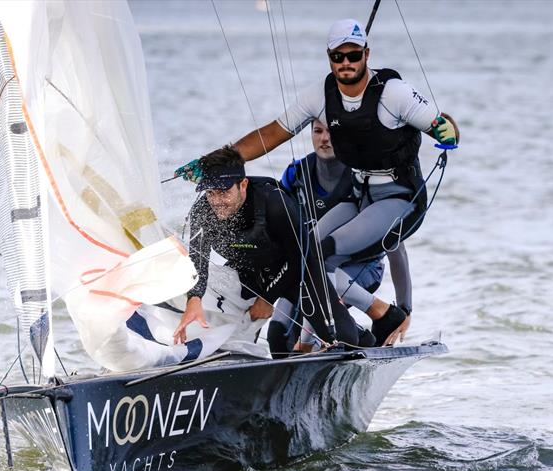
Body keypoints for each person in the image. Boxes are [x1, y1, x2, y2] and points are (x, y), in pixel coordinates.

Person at [176, 19, 457, 346]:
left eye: (353, 55)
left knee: (318, 255)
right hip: (359, 195)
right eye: (339, 57)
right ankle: (332, 336)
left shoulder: (393, 94)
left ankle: (384, 315)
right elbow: (271, 134)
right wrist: (215, 161)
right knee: (306, 251)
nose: (346, 63)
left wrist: (446, 133)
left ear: (366, 54)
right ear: (329, 58)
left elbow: (441, 124)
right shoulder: (319, 97)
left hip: (399, 197)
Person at [172, 146, 359, 357]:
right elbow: (198, 262)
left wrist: (267, 298)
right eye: (211, 193)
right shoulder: (203, 211)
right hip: (248, 271)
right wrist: (194, 300)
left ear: (243, 184)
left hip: (297, 267)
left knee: (344, 342)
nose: (216, 201)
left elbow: (300, 256)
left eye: (224, 192)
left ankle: (363, 338)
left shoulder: (274, 202)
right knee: (277, 343)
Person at [271, 119, 412, 351]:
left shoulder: (365, 177)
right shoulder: (297, 173)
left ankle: (379, 315)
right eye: (317, 131)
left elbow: (398, 248)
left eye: (332, 132)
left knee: (317, 316)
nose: (324, 138)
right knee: (278, 338)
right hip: (311, 267)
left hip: (362, 269)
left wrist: (406, 309)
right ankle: (360, 337)